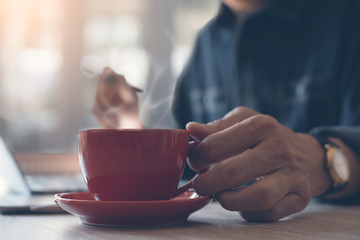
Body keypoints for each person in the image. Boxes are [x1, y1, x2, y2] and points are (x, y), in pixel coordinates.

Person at [92, 0, 360, 222]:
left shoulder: (348, 16)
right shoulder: (206, 41)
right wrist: (128, 129)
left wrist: (329, 162)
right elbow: (186, 164)